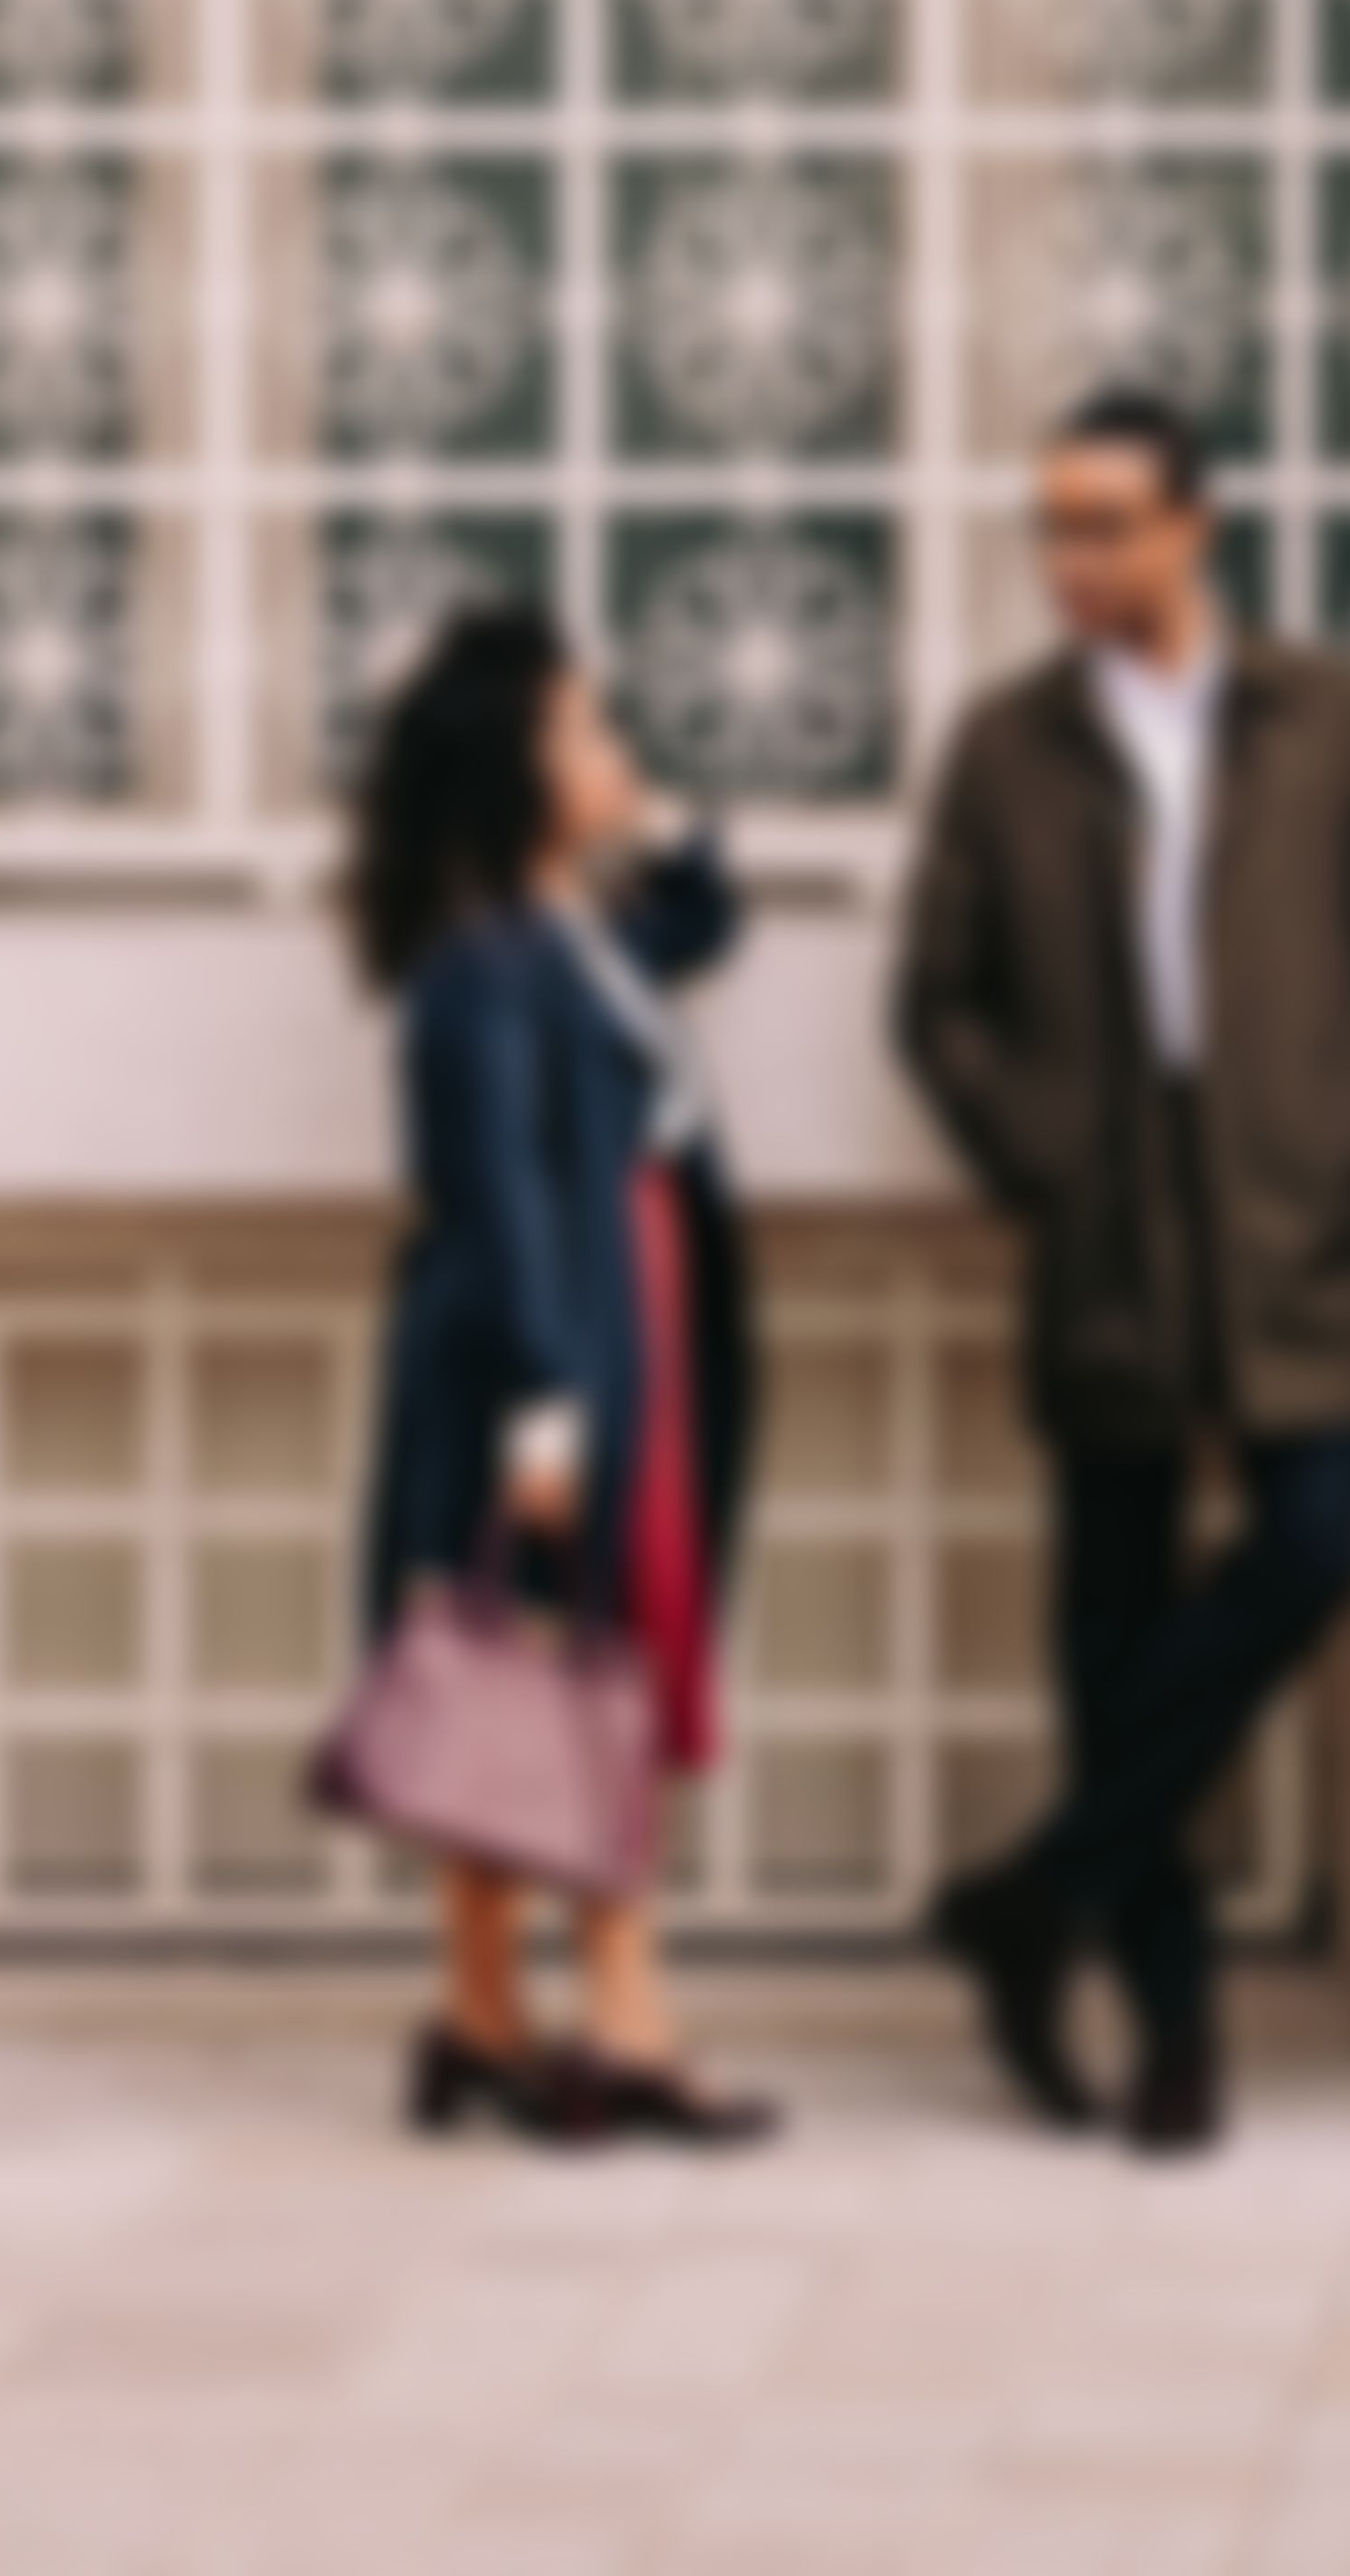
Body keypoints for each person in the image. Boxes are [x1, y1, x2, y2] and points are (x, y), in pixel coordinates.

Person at [895, 387, 1350, 2157]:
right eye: (1053, 525)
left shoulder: (1329, 715)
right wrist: (1051, 1156)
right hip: (1109, 1219)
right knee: (1115, 1618)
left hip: (1289, 1206)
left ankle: (1035, 1886)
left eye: (1106, 522)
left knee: (1312, 1546)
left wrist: (1341, 1135)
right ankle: (1172, 2027)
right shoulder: (1005, 743)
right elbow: (937, 1000)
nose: (1073, 556)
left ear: (1195, 523)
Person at [348, 602, 776, 2151]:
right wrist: (547, 1403)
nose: (617, 751)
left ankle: (481, 2017)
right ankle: (627, 2023)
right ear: (511, 773)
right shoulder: (480, 967)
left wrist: (651, 821)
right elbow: (501, 1205)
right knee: (577, 1672)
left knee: (533, 1671)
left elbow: (704, 917)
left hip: (624, 1319)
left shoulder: (573, 935)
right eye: (587, 732)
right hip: (559, 1347)